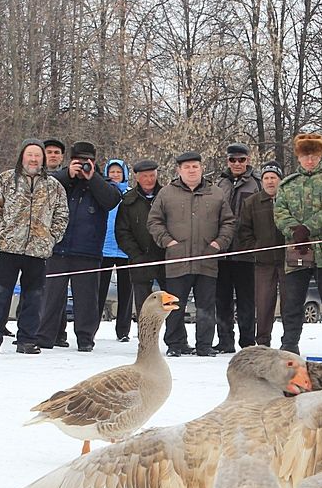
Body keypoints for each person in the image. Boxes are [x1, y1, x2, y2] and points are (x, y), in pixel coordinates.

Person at [0, 139, 68, 354]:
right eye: (30, 154)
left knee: (34, 297)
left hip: (38, 251)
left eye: (38, 155)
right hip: (9, 248)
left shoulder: (54, 186)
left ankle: (27, 340)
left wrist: (50, 237)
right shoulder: (6, 180)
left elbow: (62, 215)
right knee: (0, 295)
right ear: (22, 156)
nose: (34, 159)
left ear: (43, 159)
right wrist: (0, 233)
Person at [147, 150, 235, 357]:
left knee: (206, 305)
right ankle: (175, 343)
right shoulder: (167, 193)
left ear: (201, 168)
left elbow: (229, 223)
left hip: (207, 259)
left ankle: (204, 344)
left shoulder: (216, 193)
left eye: (195, 166)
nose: (191, 170)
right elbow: (154, 221)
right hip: (177, 259)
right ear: (179, 170)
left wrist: (218, 244)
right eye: (186, 167)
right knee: (174, 304)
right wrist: (168, 241)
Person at [36, 140, 122, 352]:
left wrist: (92, 178)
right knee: (51, 298)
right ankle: (45, 337)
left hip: (88, 251)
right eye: (79, 161)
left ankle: (85, 339)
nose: (83, 165)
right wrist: (68, 176)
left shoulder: (102, 181)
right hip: (57, 248)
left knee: (86, 301)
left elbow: (112, 200)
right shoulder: (60, 180)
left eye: (88, 161)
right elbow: (41, 191)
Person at [274, 133, 322, 357]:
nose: (310, 160)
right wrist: (295, 231)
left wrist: (308, 228)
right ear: (299, 157)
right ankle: (289, 343)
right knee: (293, 300)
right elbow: (279, 211)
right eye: (306, 156)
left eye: (314, 155)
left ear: (320, 155)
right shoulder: (288, 185)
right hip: (297, 249)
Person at [214, 142, 261, 353]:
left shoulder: (257, 184)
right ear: (228, 161)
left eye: (241, 159)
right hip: (222, 252)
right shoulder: (219, 184)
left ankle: (247, 341)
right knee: (222, 300)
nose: (237, 163)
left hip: (246, 252)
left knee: (246, 301)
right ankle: (225, 340)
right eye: (233, 159)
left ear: (247, 160)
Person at [236, 161, 286, 347]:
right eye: (266, 178)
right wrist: (255, 248)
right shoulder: (252, 202)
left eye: (273, 178)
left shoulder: (288, 200)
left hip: (287, 261)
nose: (270, 181)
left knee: (289, 303)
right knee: (264, 304)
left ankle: (289, 341)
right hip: (263, 263)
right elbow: (244, 230)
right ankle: (263, 342)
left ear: (280, 180)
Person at [115, 159, 165, 319]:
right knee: (144, 307)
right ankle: (146, 340)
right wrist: (136, 255)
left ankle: (175, 341)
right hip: (140, 260)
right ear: (137, 177)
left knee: (170, 303)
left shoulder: (166, 196)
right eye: (145, 176)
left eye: (152, 175)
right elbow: (122, 232)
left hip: (165, 258)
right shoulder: (128, 201)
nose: (149, 180)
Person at [98, 159, 133, 341]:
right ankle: (92, 327)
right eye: (112, 172)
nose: (115, 175)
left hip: (125, 249)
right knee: (99, 290)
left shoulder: (130, 194)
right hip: (104, 248)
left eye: (118, 172)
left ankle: (123, 330)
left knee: (126, 292)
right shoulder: (102, 192)